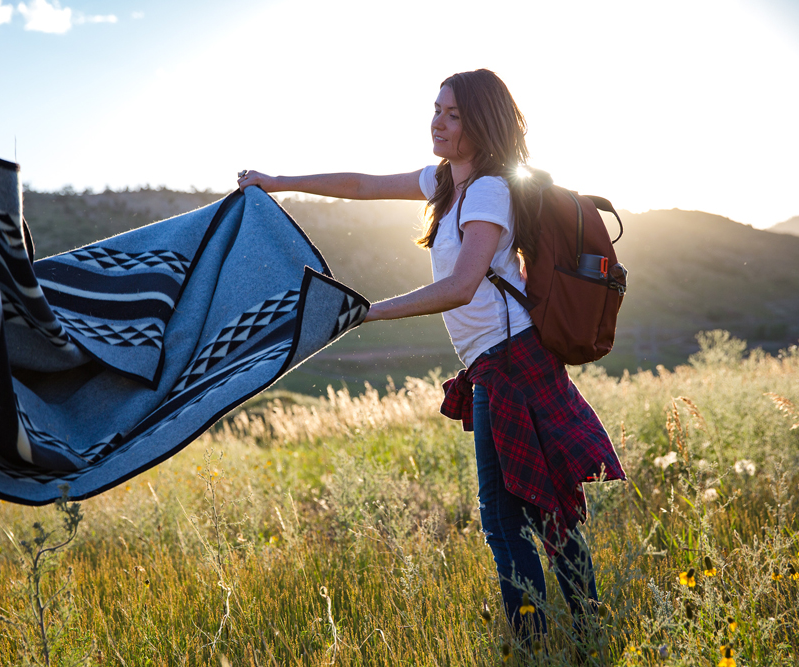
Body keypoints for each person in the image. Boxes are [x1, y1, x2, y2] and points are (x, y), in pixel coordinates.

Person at [236, 68, 625, 643]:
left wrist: (366, 312)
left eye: (453, 114)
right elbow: (365, 185)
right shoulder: (447, 182)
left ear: (482, 123)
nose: (437, 123)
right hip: (497, 362)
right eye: (436, 110)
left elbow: (461, 287)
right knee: (535, 510)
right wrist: (277, 180)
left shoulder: (490, 189)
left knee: (508, 514)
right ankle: (577, 631)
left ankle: (544, 640)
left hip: (512, 360)